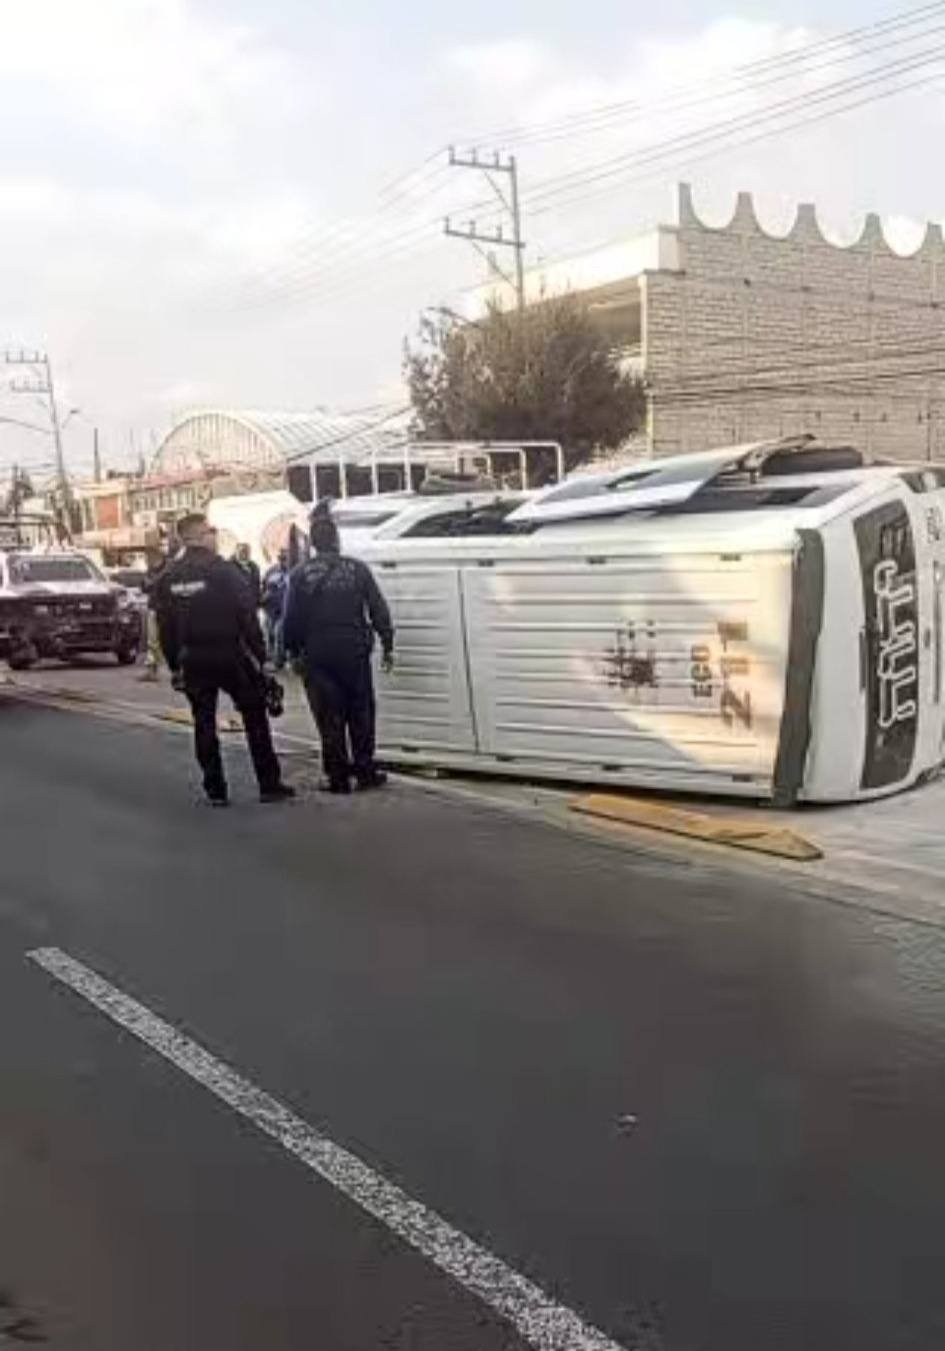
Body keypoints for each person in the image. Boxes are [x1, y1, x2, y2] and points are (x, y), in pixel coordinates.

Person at [154, 513, 294, 807]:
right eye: (211, 532)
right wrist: (262, 657)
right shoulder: (223, 571)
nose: (214, 537)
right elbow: (247, 615)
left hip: (193, 657)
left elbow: (164, 627)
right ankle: (268, 784)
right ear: (198, 536)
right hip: (230, 653)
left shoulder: (170, 576)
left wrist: (175, 665)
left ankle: (215, 789)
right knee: (255, 714)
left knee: (203, 722)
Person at [283, 507, 394, 793]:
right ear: (336, 539)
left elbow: (291, 618)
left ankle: (338, 777)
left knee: (329, 716)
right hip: (354, 649)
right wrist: (387, 642)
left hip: (317, 653)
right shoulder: (357, 569)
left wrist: (291, 652)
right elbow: (378, 608)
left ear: (313, 543)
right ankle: (365, 770)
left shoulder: (299, 575)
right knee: (361, 711)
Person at [261, 548, 291, 668]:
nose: (282, 561)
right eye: (280, 558)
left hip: (285, 609)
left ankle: (278, 661)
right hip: (270, 608)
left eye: (284, 558)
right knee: (269, 633)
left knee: (279, 633)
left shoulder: (292, 572)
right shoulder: (271, 572)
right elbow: (264, 588)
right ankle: (270, 657)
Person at [231, 542, 261, 607]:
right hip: (234, 608)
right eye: (242, 551)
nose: (244, 554)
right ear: (236, 551)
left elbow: (257, 587)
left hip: (251, 608)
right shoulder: (229, 567)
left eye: (247, 552)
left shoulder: (254, 567)